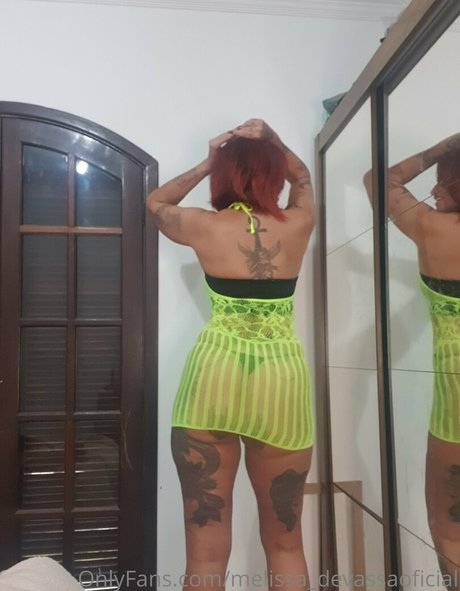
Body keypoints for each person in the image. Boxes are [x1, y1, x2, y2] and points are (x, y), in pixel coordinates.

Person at [147, 119, 315, 591]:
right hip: (280, 380)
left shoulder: (202, 225)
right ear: (274, 174)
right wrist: (274, 140)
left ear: (224, 175)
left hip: (213, 374)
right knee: (285, 544)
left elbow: (156, 202)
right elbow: (303, 178)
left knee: (204, 552)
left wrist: (209, 160)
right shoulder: (299, 223)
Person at [364, 133, 460, 587]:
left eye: (446, 181)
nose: (436, 189)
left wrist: (443, 147)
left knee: (450, 529)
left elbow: (378, 181)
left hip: (455, 401)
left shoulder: (432, 228)